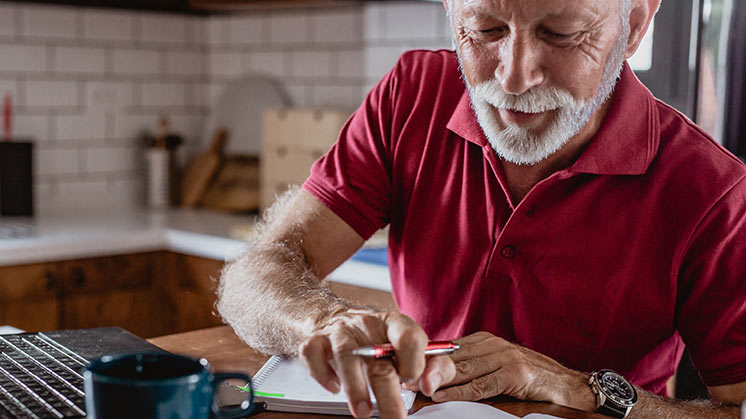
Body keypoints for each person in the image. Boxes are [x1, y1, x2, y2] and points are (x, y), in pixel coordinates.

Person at [217, 0, 746, 417]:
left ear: (633, 25)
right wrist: (322, 320)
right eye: (485, 30)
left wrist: (576, 388)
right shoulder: (411, 94)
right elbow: (260, 269)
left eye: (560, 34)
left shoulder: (712, 187)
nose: (514, 78)